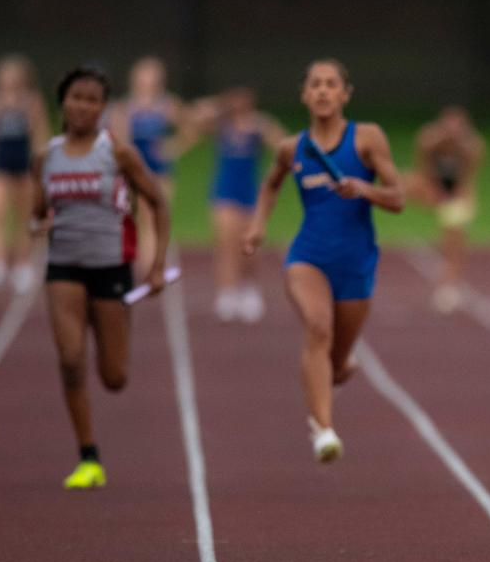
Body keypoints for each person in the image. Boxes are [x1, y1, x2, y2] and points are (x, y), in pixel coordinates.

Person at [243, 59, 404, 463]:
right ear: (304, 94)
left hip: (356, 264)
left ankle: (338, 369)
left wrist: (363, 188)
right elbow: (270, 185)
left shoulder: (366, 139)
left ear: (345, 94)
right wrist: (257, 226)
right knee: (317, 327)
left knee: (336, 367)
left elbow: (398, 198)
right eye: (315, 84)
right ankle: (323, 431)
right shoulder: (291, 148)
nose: (322, 91)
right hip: (308, 257)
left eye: (331, 84)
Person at [32, 66, 171, 489]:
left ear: (103, 108)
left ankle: (106, 331)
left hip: (111, 266)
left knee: (114, 377)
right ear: (63, 103)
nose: (84, 107)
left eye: (93, 100)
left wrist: (157, 263)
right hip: (64, 267)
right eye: (77, 98)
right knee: (71, 362)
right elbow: (36, 213)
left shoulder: (118, 152)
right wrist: (35, 227)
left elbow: (158, 203)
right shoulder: (47, 156)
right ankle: (89, 457)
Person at [188, 87, 286, 322]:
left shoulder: (258, 127)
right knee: (225, 243)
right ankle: (227, 291)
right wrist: (220, 104)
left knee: (248, 246)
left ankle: (249, 289)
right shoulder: (222, 126)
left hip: (250, 193)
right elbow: (193, 115)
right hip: (224, 192)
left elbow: (283, 145)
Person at [0, 54, 50, 293]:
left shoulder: (32, 102)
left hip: (24, 166)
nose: (6, 82)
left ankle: (22, 266)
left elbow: (41, 136)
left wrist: (41, 169)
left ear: (22, 79)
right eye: (2, 78)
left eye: (11, 78)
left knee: (24, 218)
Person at [107, 56, 187, 278]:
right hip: (137, 169)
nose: (146, 82)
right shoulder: (125, 107)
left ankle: (156, 261)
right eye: (143, 77)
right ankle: (147, 265)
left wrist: (173, 146)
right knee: (142, 216)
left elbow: (189, 129)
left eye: (151, 78)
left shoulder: (168, 104)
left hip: (161, 169)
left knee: (159, 214)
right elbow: (119, 139)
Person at [404, 106, 486, 313]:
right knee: (394, 183)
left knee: (454, 233)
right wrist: (432, 191)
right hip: (431, 184)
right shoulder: (428, 141)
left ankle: (449, 286)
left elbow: (466, 182)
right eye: (448, 129)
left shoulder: (473, 147)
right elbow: (421, 170)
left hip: (457, 191)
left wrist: (453, 204)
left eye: (457, 130)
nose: (452, 134)